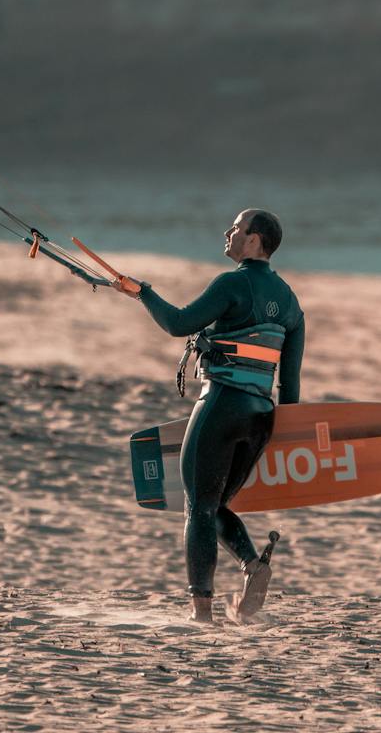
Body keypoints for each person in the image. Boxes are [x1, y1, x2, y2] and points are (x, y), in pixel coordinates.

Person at [118, 208, 304, 623]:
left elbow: (178, 323)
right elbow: (289, 386)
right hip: (260, 417)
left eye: (236, 228)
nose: (228, 232)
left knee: (197, 507)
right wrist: (281, 439)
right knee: (214, 502)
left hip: (221, 404)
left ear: (253, 240)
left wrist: (142, 292)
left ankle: (201, 612)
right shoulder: (290, 301)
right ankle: (253, 566)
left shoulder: (232, 283)